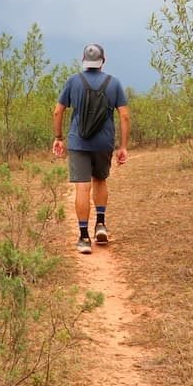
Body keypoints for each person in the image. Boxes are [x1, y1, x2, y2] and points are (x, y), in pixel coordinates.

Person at [51, 43, 130, 254]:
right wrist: (122, 146)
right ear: (103, 60)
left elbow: (58, 112)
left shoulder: (73, 81)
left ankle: (84, 237)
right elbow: (124, 115)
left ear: (84, 60)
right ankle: (101, 224)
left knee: (82, 187)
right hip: (103, 143)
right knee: (100, 180)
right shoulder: (114, 84)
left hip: (78, 143)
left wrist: (59, 138)